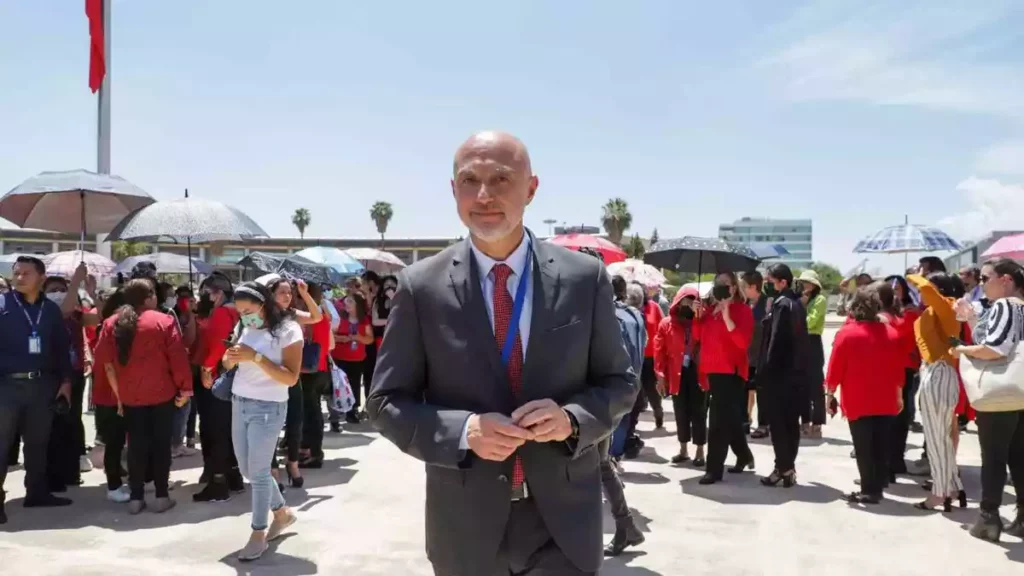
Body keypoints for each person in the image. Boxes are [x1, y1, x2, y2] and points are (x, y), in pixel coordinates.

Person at [367, 131, 636, 576]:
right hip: (465, 527)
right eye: (469, 180)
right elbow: (384, 402)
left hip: (563, 526)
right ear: (453, 190)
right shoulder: (422, 287)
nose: (484, 194)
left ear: (531, 188)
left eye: (501, 179)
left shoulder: (584, 278)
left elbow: (620, 383)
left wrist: (572, 418)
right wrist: (462, 430)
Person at [221, 282, 303, 561]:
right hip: (239, 402)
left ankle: (258, 532)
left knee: (257, 473)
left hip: (268, 407)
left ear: (264, 304)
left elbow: (291, 377)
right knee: (248, 469)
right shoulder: (245, 327)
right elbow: (228, 360)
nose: (244, 316)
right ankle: (282, 513)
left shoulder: (288, 329)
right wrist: (230, 358)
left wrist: (255, 357)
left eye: (248, 310)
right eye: (240, 311)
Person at [94, 279, 191, 514]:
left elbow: (106, 365)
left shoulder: (111, 323)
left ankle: (136, 497)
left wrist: (118, 396)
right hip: (161, 395)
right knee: (160, 445)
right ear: (149, 297)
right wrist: (185, 388)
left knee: (135, 445)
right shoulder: (163, 321)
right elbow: (177, 360)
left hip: (129, 396)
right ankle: (160, 496)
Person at [953, 258, 1024, 541]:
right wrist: (972, 317)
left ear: (1005, 279)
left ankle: (988, 517)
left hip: (1001, 392)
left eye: (985, 279)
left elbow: (995, 348)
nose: (981, 284)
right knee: (1019, 456)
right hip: (1020, 390)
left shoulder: (1006, 305)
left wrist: (962, 350)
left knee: (994, 457)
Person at [0, 256, 74, 524]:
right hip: (6, 386)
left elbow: (61, 349)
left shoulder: (50, 311)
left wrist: (65, 381)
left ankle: (37, 493)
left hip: (42, 386)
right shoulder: (2, 305)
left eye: (26, 273)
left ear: (41, 278)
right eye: (16, 273)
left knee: (37, 443)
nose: (19, 278)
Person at [826, 286, 903, 504]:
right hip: (886, 396)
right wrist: (899, 396)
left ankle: (870, 490)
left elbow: (835, 367)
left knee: (864, 447)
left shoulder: (847, 333)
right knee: (880, 443)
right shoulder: (891, 333)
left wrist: (829, 394)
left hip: (858, 398)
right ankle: (877, 485)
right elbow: (899, 369)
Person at [906, 272, 965, 511]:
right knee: (940, 438)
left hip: (939, 373)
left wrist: (915, 276)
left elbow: (930, 292)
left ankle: (940, 493)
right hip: (936, 373)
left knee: (936, 439)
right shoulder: (932, 313)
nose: (920, 294)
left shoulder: (947, 306)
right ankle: (951, 486)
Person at [697, 271, 755, 485]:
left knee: (718, 421)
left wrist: (727, 313)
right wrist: (697, 316)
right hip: (712, 370)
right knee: (729, 419)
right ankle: (743, 454)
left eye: (726, 284)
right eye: (718, 284)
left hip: (732, 372)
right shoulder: (709, 311)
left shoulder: (743, 310)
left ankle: (713, 469)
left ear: (734, 287)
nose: (722, 287)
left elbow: (741, 343)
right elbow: (698, 337)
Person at [602, 276, 645, 557]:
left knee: (600, 464)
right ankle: (626, 526)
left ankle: (626, 526)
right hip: (626, 393)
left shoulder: (612, 318)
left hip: (606, 397)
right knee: (601, 464)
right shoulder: (634, 315)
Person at [192, 273, 244, 502]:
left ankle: (218, 482)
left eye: (207, 293)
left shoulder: (223, 312)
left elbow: (217, 344)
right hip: (235, 377)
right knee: (229, 429)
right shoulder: (239, 310)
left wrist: (206, 369)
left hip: (218, 376)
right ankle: (233, 476)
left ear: (218, 293)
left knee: (215, 430)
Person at [757, 264, 808, 488]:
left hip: (779, 375)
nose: (768, 284)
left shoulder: (782, 305)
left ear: (782, 282)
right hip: (796, 374)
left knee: (778, 424)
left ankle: (783, 468)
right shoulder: (797, 304)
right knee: (790, 425)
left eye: (770, 280)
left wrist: (765, 371)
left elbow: (775, 342)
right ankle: (788, 469)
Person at [654, 286, 706, 467]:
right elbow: (659, 352)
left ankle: (700, 450)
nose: (688, 304)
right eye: (685, 300)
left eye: (693, 300)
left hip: (698, 372)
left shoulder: (702, 322)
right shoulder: (666, 323)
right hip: (676, 374)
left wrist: (699, 316)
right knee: (680, 411)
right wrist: (660, 376)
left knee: (699, 412)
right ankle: (683, 449)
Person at [92, 287, 130, 503]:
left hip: (109, 393)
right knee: (115, 443)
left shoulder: (108, 323)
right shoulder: (116, 324)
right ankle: (114, 485)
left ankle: (117, 481)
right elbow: (109, 366)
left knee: (116, 442)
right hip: (113, 394)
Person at [332, 291, 374, 424]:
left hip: (357, 358)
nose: (346, 304)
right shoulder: (340, 318)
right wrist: (342, 338)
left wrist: (358, 337)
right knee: (339, 385)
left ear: (358, 304)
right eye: (346, 301)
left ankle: (352, 411)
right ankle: (337, 413)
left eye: (350, 301)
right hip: (339, 357)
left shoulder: (364, 320)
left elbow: (370, 339)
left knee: (355, 385)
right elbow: (331, 335)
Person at [743, 272, 770, 439]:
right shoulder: (744, 303)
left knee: (761, 392)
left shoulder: (767, 304)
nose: (743, 290)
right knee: (747, 390)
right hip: (746, 355)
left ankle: (764, 424)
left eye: (744, 286)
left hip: (762, 355)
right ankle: (746, 420)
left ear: (753, 287)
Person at [637, 283, 665, 430]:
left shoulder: (654, 307)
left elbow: (663, 327)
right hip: (633, 355)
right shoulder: (628, 308)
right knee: (634, 390)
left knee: (651, 388)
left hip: (650, 356)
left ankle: (658, 412)